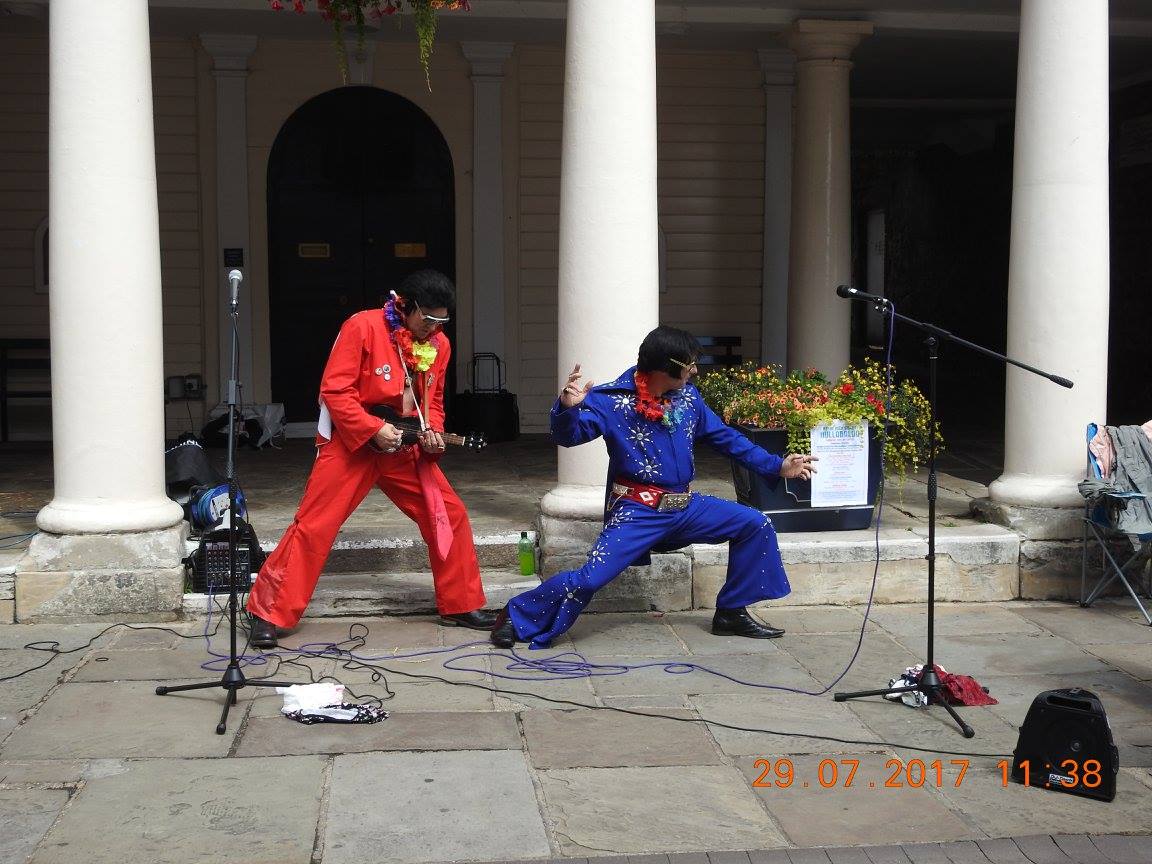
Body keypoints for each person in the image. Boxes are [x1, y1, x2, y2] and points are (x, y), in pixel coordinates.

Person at [491, 325, 816, 649]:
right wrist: (568, 408)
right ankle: (515, 616)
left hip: (685, 506)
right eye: (690, 364)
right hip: (637, 511)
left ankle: (731, 612)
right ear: (667, 367)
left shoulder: (689, 397)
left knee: (755, 523)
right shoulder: (610, 401)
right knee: (589, 579)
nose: (694, 371)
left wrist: (777, 465)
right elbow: (568, 437)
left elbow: (726, 438)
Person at [247, 269, 497, 647]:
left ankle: (461, 604)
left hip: (403, 444)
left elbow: (434, 402)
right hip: (352, 444)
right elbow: (335, 391)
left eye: (442, 322)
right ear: (405, 306)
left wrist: (434, 435)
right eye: (428, 319)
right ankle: (268, 612)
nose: (434, 328)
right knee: (315, 524)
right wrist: (372, 429)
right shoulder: (362, 326)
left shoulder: (439, 345)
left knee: (449, 514)